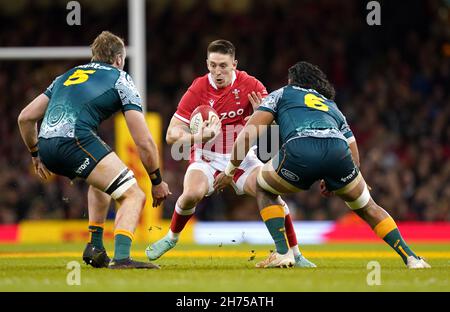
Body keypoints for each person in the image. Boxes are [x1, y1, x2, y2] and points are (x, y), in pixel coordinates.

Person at [214, 61, 431, 269]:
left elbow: (247, 135)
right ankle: (411, 258)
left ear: (292, 80)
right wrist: (348, 178)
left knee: (263, 187)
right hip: (339, 154)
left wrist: (230, 171)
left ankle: (282, 253)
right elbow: (352, 148)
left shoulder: (281, 94)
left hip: (300, 150)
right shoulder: (331, 106)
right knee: (367, 206)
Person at [145, 40, 315, 268]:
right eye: (213, 65)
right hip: (206, 156)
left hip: (242, 158)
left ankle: (294, 253)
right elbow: (171, 135)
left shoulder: (251, 85)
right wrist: (199, 138)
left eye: (223, 66)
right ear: (207, 64)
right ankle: (171, 238)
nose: (217, 72)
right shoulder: (197, 89)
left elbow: (276, 123)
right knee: (191, 194)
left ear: (234, 64)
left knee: (269, 191)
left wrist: (262, 116)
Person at [17, 31, 171, 269]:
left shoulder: (65, 76)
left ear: (93, 56)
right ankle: (121, 259)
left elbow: (25, 118)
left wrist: (35, 154)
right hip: (75, 142)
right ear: (119, 59)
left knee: (102, 182)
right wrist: (156, 180)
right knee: (133, 194)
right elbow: (143, 141)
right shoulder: (121, 78)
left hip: (47, 145)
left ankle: (95, 247)